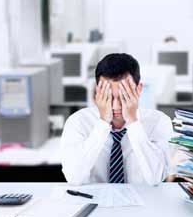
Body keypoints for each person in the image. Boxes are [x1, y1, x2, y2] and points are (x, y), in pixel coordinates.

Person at [60, 53, 173, 185]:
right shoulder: (78, 122)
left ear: (139, 89)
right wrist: (103, 123)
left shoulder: (159, 122)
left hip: (144, 203)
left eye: (124, 96)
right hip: (93, 202)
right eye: (109, 97)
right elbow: (74, 177)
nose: (116, 106)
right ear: (97, 91)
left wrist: (133, 122)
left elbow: (156, 178)